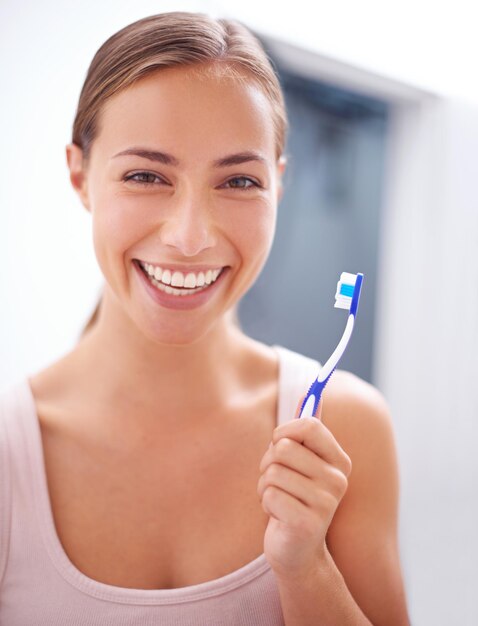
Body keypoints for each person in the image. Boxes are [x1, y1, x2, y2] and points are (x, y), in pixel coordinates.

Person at [0, 11, 410, 625]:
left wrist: (305, 567)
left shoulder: (343, 429)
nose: (190, 238)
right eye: (145, 175)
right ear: (80, 175)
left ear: (278, 184)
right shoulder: (9, 455)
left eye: (238, 181)